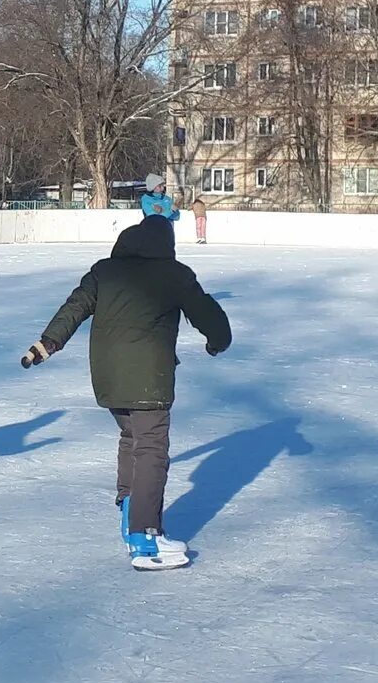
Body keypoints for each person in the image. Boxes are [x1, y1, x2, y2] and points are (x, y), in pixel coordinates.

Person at [21, 214, 231, 570]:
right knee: (151, 448)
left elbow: (73, 308)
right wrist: (217, 343)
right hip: (148, 376)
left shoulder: (104, 271)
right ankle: (145, 538)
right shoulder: (174, 274)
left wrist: (45, 345)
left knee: (131, 437)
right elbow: (208, 314)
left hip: (107, 375)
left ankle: (130, 508)